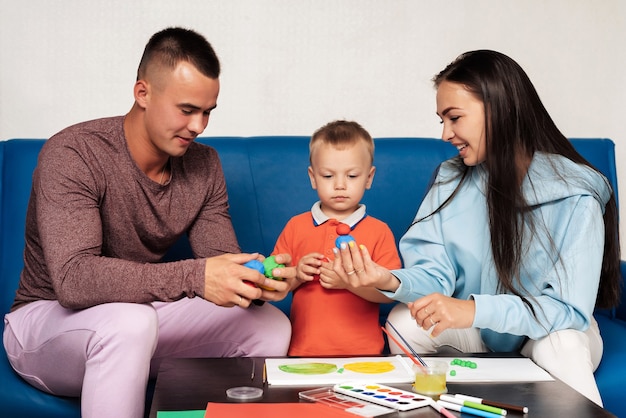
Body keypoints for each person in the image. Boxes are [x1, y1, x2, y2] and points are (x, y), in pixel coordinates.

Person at [2, 27, 295, 418]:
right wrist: (194, 278)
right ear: (143, 93)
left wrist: (258, 281)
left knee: (269, 326)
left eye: (207, 112)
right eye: (187, 109)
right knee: (130, 321)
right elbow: (73, 279)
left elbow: (219, 264)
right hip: (45, 325)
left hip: (136, 322)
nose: (198, 126)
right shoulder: (74, 153)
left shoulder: (204, 164)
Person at [332, 50, 621, 406]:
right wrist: (388, 280)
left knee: (561, 342)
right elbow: (435, 273)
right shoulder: (451, 179)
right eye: (441, 120)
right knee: (403, 321)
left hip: (547, 331)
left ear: (500, 109)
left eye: (454, 118)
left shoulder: (576, 191)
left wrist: (471, 310)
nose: (444, 134)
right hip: (481, 332)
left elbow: (567, 310)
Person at [272, 120, 401, 356]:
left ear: (369, 178)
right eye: (328, 175)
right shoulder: (295, 226)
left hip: (365, 353)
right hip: (303, 351)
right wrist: (297, 275)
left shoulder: (379, 231)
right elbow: (274, 284)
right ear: (313, 178)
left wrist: (349, 283)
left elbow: (389, 294)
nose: (340, 185)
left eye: (352, 176)